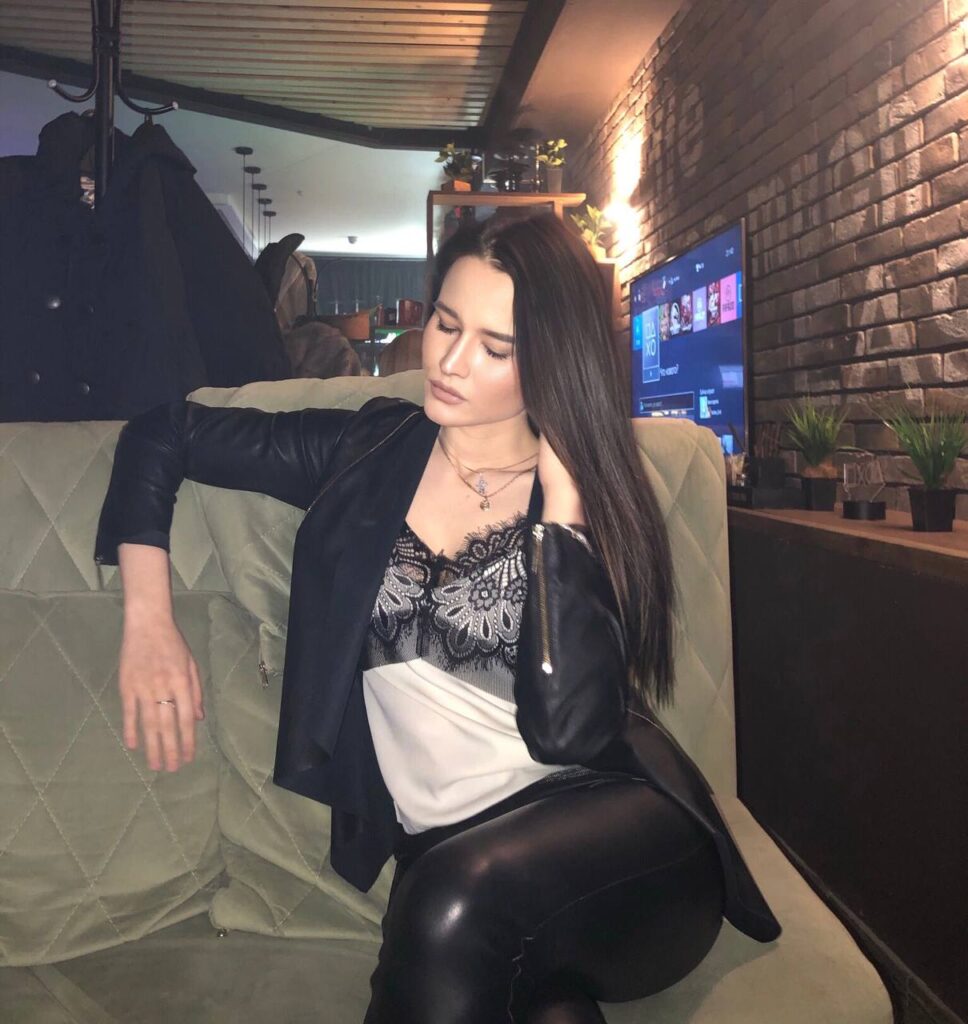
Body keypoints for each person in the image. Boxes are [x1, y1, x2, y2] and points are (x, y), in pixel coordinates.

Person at [94, 213, 780, 1024]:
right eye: (446, 325)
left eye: (495, 348)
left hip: (627, 848)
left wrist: (562, 517)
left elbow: (570, 734)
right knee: (532, 993)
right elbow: (165, 433)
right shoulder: (368, 451)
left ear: (552, 360)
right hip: (457, 864)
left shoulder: (586, 502)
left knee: (452, 902)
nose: (451, 363)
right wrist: (149, 618)